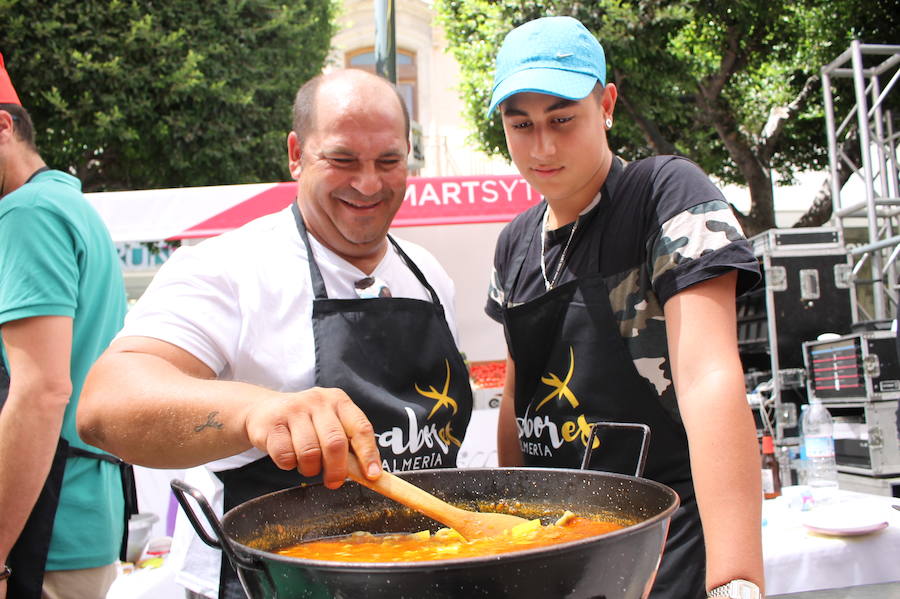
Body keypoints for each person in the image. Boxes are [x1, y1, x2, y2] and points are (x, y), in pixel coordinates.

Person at [77, 69, 473, 598]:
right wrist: (256, 412)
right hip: (270, 582)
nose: (370, 183)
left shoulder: (427, 275)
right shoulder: (230, 267)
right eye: (342, 159)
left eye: (389, 161)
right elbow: (106, 405)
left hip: (426, 570)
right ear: (296, 154)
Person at [483, 17, 764, 599]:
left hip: (663, 543)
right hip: (554, 549)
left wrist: (736, 579)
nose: (543, 146)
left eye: (563, 119)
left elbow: (709, 376)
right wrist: (509, 538)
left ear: (606, 104)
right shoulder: (513, 242)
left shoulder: (665, 193)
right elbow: (516, 395)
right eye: (521, 125)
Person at [0, 53, 129, 599]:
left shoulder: (27, 213)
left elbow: (42, 392)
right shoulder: (66, 204)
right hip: (76, 513)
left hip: (44, 530)